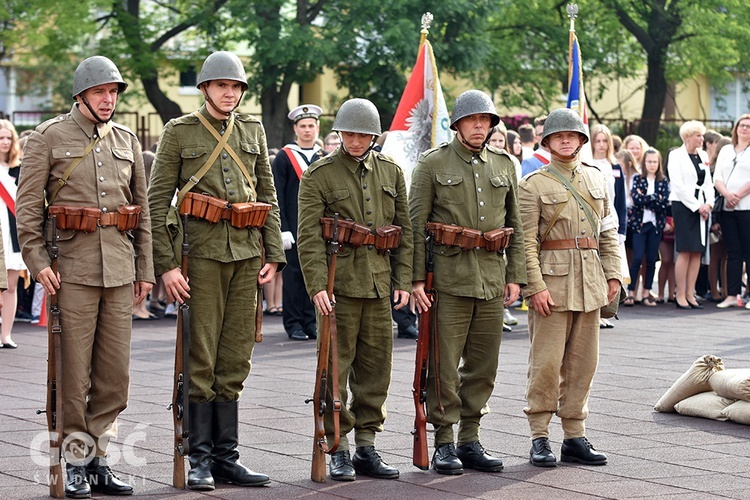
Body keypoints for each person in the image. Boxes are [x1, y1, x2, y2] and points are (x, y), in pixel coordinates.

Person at [17, 55, 154, 497]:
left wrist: (144, 269)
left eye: (113, 93)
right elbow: (28, 207)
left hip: (118, 269)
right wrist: (37, 261)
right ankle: (74, 460)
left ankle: (98, 458)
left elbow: (142, 211)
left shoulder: (128, 141)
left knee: (115, 377)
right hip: (70, 269)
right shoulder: (47, 138)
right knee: (73, 376)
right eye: (101, 92)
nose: (108, 100)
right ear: (81, 95)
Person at [148, 51, 285, 490]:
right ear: (205, 88)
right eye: (221, 85)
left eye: (236, 87)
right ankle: (199, 458)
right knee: (200, 356)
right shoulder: (179, 131)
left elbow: (267, 193)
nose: (229, 93)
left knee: (235, 357)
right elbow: (156, 202)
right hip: (199, 256)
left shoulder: (253, 130)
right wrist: (166, 265)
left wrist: (272, 252)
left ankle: (227, 457)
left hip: (246, 254)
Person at [410, 90, 526, 475]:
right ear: (457, 124)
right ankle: (444, 441)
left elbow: (516, 227)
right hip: (448, 279)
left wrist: (515, 277)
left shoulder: (504, 164)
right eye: (472, 120)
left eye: (485, 120)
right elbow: (414, 225)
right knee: (443, 365)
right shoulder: (432, 163)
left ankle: (470, 438)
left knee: (483, 365)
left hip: (491, 279)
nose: (480, 126)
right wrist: (414, 280)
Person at [297, 98, 413, 481]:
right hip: (338, 286)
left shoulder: (392, 172)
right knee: (334, 368)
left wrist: (402, 281)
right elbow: (309, 237)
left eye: (363, 134)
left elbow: (404, 232)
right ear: (339, 133)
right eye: (348, 133)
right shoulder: (320, 174)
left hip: (379, 284)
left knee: (376, 368)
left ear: (374, 135)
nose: (355, 140)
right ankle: (338, 446)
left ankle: (367, 445)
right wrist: (316, 286)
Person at [519, 108, 621, 468]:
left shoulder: (596, 180)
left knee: (583, 365)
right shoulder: (533, 184)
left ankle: (574, 435)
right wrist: (535, 286)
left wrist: (614, 276)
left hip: (590, 282)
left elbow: (609, 233)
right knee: (546, 364)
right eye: (558, 136)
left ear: (581, 140)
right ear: (547, 142)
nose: (565, 140)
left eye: (572, 135)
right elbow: (525, 242)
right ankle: (540, 436)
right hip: (552, 284)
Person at [272, 104, 324, 340]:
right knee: (293, 277)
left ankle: (311, 321)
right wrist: (282, 228)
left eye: (311, 126)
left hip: (317, 229)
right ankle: (293, 323)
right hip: (292, 228)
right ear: (295, 129)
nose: (307, 130)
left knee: (315, 276)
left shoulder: (323, 157)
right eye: (302, 126)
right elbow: (277, 196)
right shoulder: (284, 157)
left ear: (317, 128)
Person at [667, 120, 713, 310]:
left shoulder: (703, 155)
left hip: (701, 205)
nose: (702, 139)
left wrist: (708, 204)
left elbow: (708, 182)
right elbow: (677, 185)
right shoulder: (676, 155)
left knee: (697, 252)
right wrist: (697, 206)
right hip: (684, 205)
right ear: (687, 137)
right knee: (685, 250)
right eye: (698, 135)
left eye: (702, 135)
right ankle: (680, 294)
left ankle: (690, 293)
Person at [624, 149, 670, 306]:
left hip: (655, 226)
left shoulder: (663, 181)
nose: (652, 165)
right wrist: (654, 198)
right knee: (637, 258)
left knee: (651, 259)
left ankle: (646, 292)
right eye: (649, 161)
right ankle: (631, 292)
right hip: (639, 225)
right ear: (644, 163)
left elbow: (663, 203)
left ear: (659, 164)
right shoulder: (638, 178)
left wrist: (647, 199)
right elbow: (636, 199)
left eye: (655, 162)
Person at [714, 115, 750, 309]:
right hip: (728, 209)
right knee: (733, 252)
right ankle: (731, 294)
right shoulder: (726, 150)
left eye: (748, 127)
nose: (744, 129)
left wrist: (738, 195)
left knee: (749, 252)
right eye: (742, 126)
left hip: (747, 208)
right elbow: (717, 176)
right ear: (736, 128)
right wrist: (728, 195)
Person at [0, 120, 25, 348]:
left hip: (13, 233)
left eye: (9, 138)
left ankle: (6, 335)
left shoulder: (20, 168)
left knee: (10, 286)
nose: (5, 142)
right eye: (1, 138)